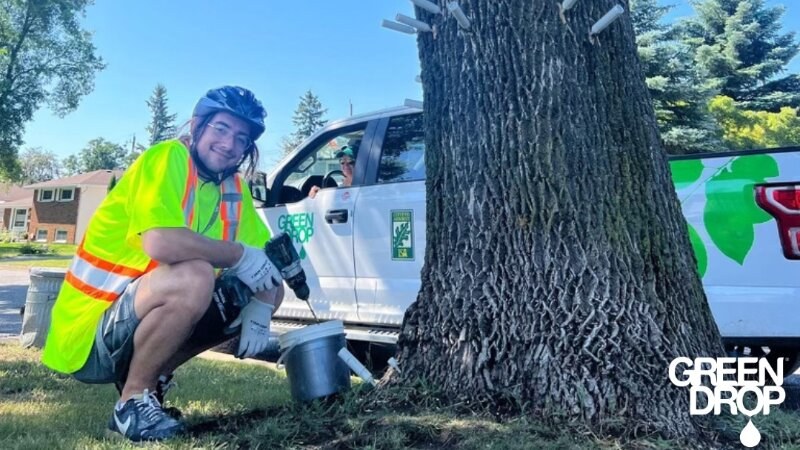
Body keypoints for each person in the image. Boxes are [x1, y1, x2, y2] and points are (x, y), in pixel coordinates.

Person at [41, 86, 285, 442]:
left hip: (136, 317)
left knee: (249, 288)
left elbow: (264, 262)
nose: (229, 144)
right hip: (92, 329)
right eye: (220, 128)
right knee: (196, 274)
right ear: (197, 126)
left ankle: (150, 384)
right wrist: (237, 255)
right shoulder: (167, 157)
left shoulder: (233, 187)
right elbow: (160, 242)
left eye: (241, 138)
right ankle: (131, 404)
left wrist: (265, 305)